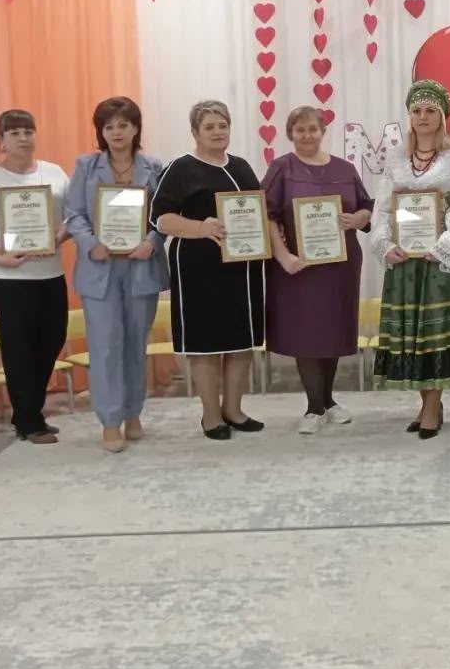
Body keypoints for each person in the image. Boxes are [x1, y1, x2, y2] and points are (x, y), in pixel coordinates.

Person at [368, 80, 450, 438]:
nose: (422, 117)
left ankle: (432, 406)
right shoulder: (396, 158)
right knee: (413, 332)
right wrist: (384, 243)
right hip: (405, 258)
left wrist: (444, 244)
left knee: (435, 332)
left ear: (442, 117)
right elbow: (383, 207)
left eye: (430, 110)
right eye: (416, 111)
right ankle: (427, 403)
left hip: (438, 258)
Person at [150, 100, 266, 440]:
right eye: (209, 127)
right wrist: (201, 227)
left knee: (241, 342)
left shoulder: (241, 167)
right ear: (195, 132)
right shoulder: (181, 168)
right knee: (207, 345)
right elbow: (160, 219)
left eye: (223, 125)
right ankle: (211, 416)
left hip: (242, 268)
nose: (218, 132)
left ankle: (234, 410)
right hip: (198, 269)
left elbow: (257, 211)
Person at [65, 97, 168, 453]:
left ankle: (133, 413)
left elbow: (164, 215)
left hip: (141, 267)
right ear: (101, 132)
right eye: (108, 126)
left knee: (135, 345)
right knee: (106, 346)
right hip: (100, 268)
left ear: (136, 128)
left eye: (123, 125)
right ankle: (110, 420)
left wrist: (152, 242)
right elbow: (73, 214)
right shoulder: (85, 166)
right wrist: (90, 243)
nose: (116, 132)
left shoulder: (154, 167)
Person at [263, 106, 373, 434]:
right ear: (290, 134)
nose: (307, 135)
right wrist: (282, 256)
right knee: (306, 332)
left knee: (332, 330)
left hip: (340, 266)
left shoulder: (345, 168)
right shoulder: (281, 168)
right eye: (300, 130)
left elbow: (367, 207)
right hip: (299, 268)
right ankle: (313, 408)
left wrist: (358, 219)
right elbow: (266, 214)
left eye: (312, 129)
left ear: (323, 131)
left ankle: (328, 400)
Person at [0, 110, 71, 444]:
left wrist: (58, 237)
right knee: (18, 348)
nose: (23, 138)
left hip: (50, 273)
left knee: (53, 339)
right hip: (8, 279)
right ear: (1, 140)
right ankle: (28, 419)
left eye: (28, 131)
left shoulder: (54, 173)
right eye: (14, 133)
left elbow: (74, 216)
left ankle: (29, 411)